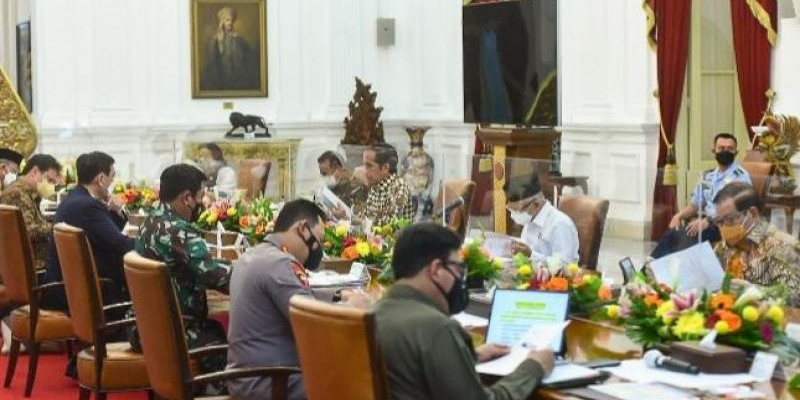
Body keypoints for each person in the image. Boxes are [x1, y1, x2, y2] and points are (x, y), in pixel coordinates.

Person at [374, 222, 554, 400]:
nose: (461, 277)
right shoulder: (436, 328)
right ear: (436, 269)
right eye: (459, 268)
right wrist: (534, 366)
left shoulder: (375, 313)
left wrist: (469, 356)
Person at [226, 199, 367, 400]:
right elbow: (313, 325)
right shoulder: (279, 263)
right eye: (318, 240)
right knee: (361, 381)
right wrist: (350, 307)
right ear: (303, 229)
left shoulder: (256, 255)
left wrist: (338, 295)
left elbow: (297, 296)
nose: (318, 249)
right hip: (274, 382)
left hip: (250, 377)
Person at [129, 164, 231, 372]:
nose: (203, 202)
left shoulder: (151, 220)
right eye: (201, 196)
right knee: (242, 356)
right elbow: (216, 276)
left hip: (145, 327)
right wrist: (253, 273)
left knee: (217, 331)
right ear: (187, 198)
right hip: (174, 332)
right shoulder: (177, 231)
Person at [42, 151, 134, 312]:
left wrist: (117, 211)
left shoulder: (75, 198)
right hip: (82, 295)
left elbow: (107, 233)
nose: (112, 182)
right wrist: (151, 244)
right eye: (111, 177)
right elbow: (121, 244)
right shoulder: (87, 206)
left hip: (66, 288)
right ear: (101, 179)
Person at [651, 133, 751, 258]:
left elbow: (735, 210)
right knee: (672, 234)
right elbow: (695, 204)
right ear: (714, 151)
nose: (725, 151)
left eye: (730, 149)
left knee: (683, 239)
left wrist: (708, 221)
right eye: (721, 148)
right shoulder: (709, 176)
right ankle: (648, 270)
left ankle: (652, 272)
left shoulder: (741, 176)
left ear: (736, 152)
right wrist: (679, 215)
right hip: (707, 223)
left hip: (727, 225)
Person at [712, 182, 800, 306]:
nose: (725, 228)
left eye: (731, 219)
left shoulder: (782, 246)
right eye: (720, 222)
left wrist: (756, 292)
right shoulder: (723, 248)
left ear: (753, 214)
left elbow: (795, 296)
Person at [0, 154, 62, 271]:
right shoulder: (18, 194)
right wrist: (55, 227)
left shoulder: (28, 193)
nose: (51, 185)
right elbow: (27, 231)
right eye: (49, 180)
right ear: (35, 172)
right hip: (30, 264)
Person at [505, 174, 579, 266]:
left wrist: (531, 254)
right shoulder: (530, 218)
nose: (513, 215)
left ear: (535, 204)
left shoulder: (559, 224)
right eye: (511, 210)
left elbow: (564, 265)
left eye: (517, 211)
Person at [202, 6, 260, 91]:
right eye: (227, 20)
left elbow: (248, 57)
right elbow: (212, 60)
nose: (230, 23)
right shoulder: (215, 40)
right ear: (222, 22)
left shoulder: (239, 39)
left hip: (238, 78)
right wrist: (220, 41)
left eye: (232, 20)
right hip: (221, 77)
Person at [357, 143, 414, 226]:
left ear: (385, 168)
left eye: (369, 166)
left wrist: (363, 222)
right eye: (364, 165)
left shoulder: (398, 187)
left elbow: (391, 225)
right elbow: (365, 217)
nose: (365, 171)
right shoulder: (375, 187)